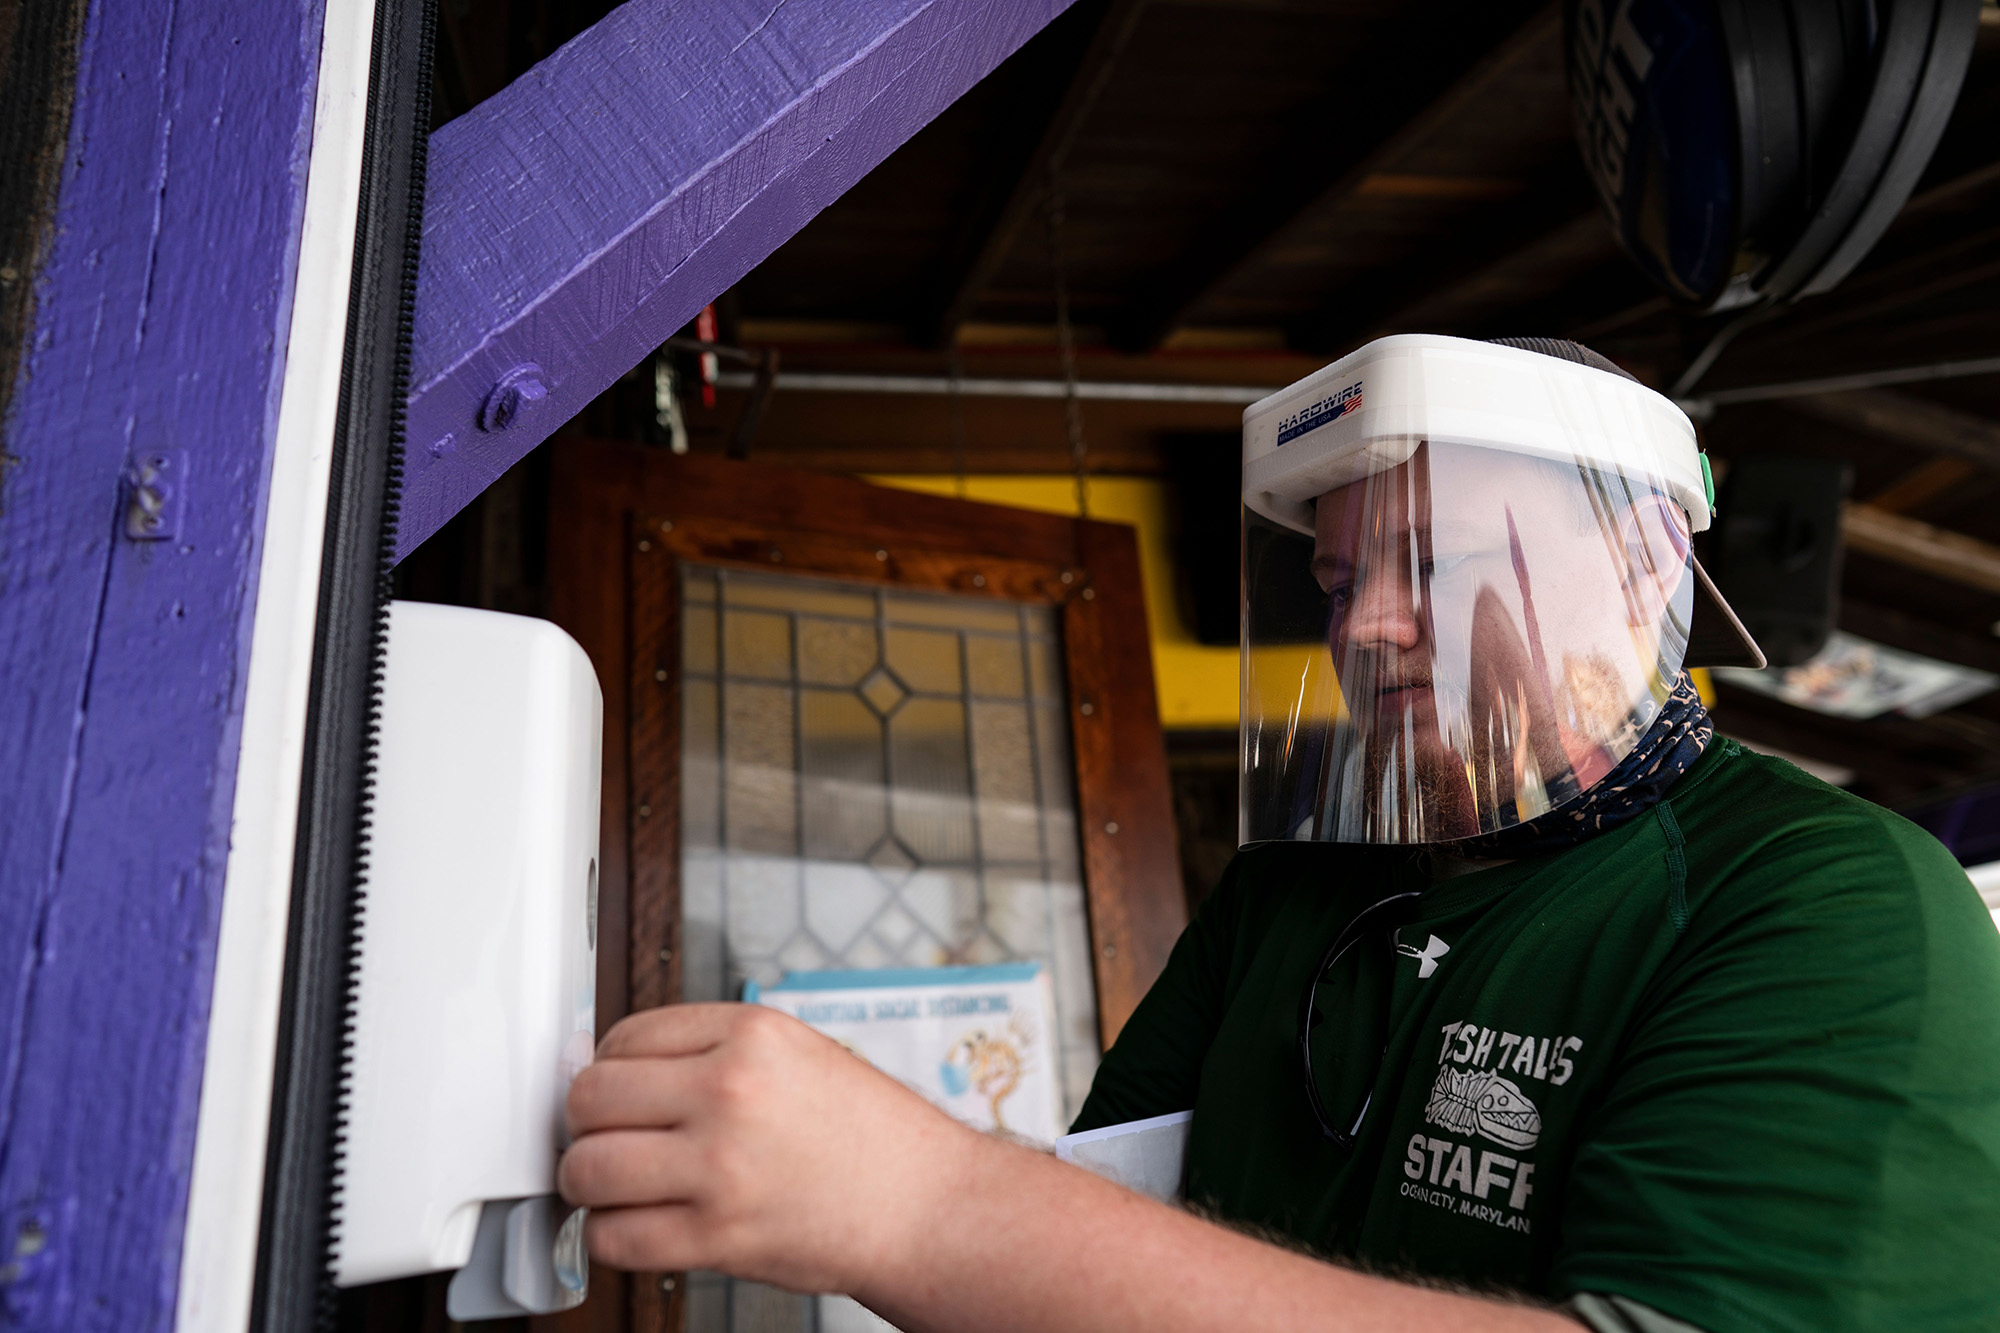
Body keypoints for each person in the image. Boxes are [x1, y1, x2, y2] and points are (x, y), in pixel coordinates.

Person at [557, 336, 2000, 1332]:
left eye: (1428, 562)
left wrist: (923, 1203)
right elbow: (1074, 1261)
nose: (1362, 623)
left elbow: (992, 1243)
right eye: (1337, 574)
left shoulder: (1832, 897)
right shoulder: (1289, 897)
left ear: (1640, 564)